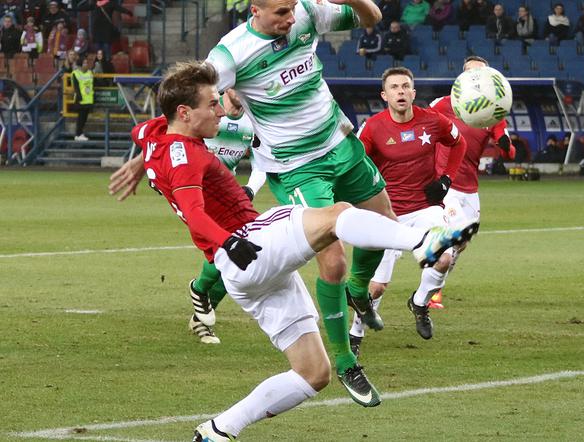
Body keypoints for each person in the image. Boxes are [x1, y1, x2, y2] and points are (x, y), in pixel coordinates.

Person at [127, 61, 476, 441]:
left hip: (247, 275)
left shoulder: (153, 133)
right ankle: (423, 242)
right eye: (211, 104)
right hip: (247, 243)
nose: (219, 109)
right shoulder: (186, 156)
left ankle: (219, 429)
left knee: (313, 373)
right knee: (338, 215)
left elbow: (145, 133)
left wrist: (137, 166)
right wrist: (228, 240)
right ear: (184, 113)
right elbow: (194, 212)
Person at [204, 0, 395, 407]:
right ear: (254, 9)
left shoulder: (309, 12)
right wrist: (225, 97)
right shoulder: (230, 53)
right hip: (296, 168)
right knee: (334, 260)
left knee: (383, 226)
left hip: (340, 143)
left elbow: (371, 18)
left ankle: (359, 290)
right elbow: (193, 94)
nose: (290, 19)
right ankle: (345, 361)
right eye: (280, 13)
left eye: (291, 9)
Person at [111, 89, 265, 345]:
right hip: (193, 189)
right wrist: (144, 159)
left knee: (243, 259)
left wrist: (251, 188)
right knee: (234, 253)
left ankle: (201, 310)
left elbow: (261, 161)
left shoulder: (252, 120)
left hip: (226, 192)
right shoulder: (200, 113)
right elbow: (164, 127)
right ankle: (200, 293)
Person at [349, 66, 469, 354]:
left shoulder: (432, 121)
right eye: (394, 87)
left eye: (405, 87)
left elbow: (459, 143)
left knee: (443, 259)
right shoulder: (374, 128)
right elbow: (355, 164)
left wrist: (446, 178)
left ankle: (420, 302)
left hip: (424, 209)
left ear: (413, 93)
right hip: (386, 213)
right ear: (384, 94)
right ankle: (354, 336)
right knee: (376, 288)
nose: (400, 92)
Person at [426, 55, 513, 309]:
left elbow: (509, 152)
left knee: (463, 242)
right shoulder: (443, 104)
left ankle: (435, 284)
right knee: (457, 233)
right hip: (446, 184)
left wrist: (505, 144)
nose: (476, 78)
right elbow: (420, 123)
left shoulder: (494, 111)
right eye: (470, 73)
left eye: (480, 73)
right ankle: (429, 293)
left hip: (470, 188)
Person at [70, 56, 93, 141]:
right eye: (84, 63)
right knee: (81, 118)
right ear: (80, 64)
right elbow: (76, 87)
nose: (86, 64)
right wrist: (80, 98)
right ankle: (78, 134)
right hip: (80, 99)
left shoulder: (90, 73)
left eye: (87, 63)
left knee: (84, 118)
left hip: (88, 99)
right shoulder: (75, 73)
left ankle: (80, 133)